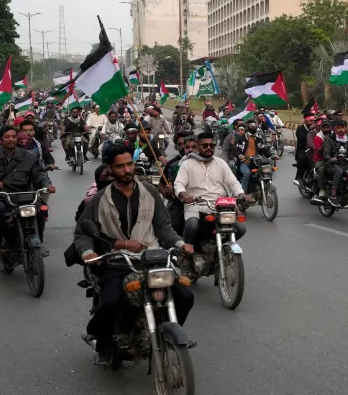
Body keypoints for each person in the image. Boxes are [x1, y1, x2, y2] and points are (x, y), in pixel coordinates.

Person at [74, 144, 196, 363]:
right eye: (120, 166)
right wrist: (88, 252)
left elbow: (163, 227)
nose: (127, 170)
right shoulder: (100, 198)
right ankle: (101, 339)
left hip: (151, 257)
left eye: (130, 164)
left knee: (185, 296)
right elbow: (83, 233)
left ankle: (165, 333)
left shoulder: (150, 192)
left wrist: (179, 243)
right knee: (110, 302)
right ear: (110, 169)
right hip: (117, 261)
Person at [0, 125, 56, 270]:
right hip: (1, 197)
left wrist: (47, 185)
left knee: (42, 209)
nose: (11, 139)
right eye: (7, 137)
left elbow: (40, 174)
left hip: (26, 196)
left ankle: (39, 241)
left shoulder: (29, 156)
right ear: (1, 139)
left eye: (13, 136)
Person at [174, 132, 249, 246]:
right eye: (205, 145)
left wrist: (240, 194)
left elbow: (233, 182)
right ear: (198, 146)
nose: (209, 147)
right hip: (195, 204)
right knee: (192, 225)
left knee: (240, 229)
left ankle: (216, 247)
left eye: (211, 145)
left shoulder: (221, 163)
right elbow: (178, 184)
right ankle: (188, 252)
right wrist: (185, 196)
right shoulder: (187, 164)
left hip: (219, 205)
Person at [162, 133, 198, 235]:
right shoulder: (174, 165)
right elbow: (169, 185)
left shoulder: (208, 162)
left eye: (194, 147)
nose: (190, 150)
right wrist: (169, 191)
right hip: (180, 202)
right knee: (172, 227)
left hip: (202, 202)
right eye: (187, 147)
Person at [321, 119, 348, 207]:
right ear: (335, 129)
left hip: (345, 163)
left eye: (342, 127)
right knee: (339, 171)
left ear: (345, 129)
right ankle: (333, 195)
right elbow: (326, 153)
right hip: (332, 164)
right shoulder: (329, 139)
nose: (340, 130)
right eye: (338, 128)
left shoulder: (347, 140)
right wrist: (331, 159)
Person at [312, 118, 332, 202]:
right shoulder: (318, 137)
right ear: (321, 128)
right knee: (322, 169)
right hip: (320, 159)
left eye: (328, 127)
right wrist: (325, 141)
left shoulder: (334, 135)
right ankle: (321, 189)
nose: (326, 129)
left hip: (331, 158)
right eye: (324, 127)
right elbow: (318, 152)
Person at [294, 115, 316, 185]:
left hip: (314, 148)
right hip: (302, 148)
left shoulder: (316, 129)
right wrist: (310, 131)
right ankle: (299, 177)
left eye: (313, 121)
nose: (312, 122)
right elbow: (303, 138)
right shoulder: (300, 129)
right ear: (306, 120)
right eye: (310, 121)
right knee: (302, 159)